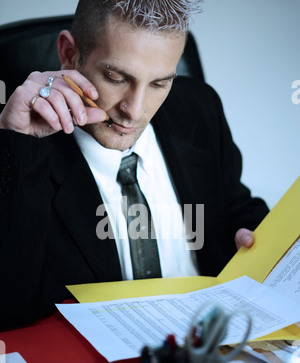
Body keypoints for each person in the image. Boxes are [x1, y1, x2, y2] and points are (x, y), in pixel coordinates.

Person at [0, 0, 268, 330]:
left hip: (213, 343)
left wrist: (256, 234)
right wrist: (21, 142)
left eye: (159, 83)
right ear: (69, 54)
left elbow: (234, 203)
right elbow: (10, 306)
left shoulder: (199, 107)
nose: (135, 110)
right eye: (115, 77)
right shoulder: (24, 149)